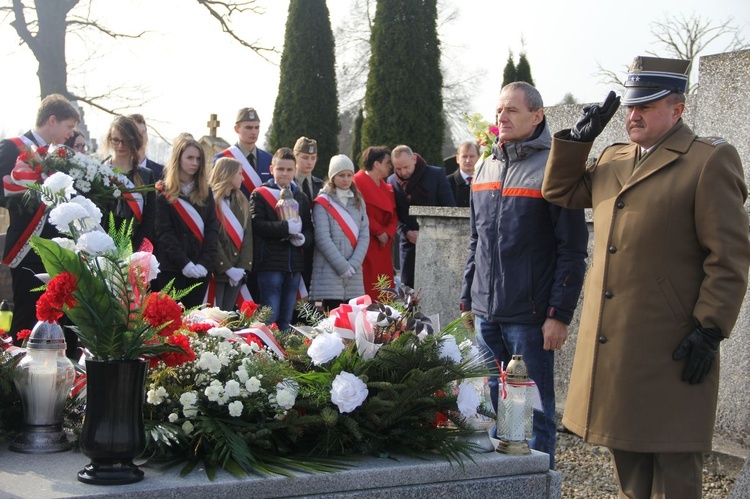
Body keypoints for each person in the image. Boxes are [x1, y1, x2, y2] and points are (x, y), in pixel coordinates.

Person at [542, 56, 750, 498]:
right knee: (629, 463)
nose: (633, 115)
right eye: (631, 107)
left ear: (678, 109)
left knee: (673, 467)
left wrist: (710, 327)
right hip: (616, 345)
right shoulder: (615, 157)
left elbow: (729, 256)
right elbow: (560, 191)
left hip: (671, 344)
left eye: (647, 106)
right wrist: (577, 143)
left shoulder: (707, 161)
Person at [460, 81, 588, 470]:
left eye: (512, 110)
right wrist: (467, 299)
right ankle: (500, 483)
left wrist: (559, 314)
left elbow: (571, 249)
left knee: (535, 410)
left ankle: (537, 482)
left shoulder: (554, 167)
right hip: (486, 314)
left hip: (531, 317)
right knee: (489, 405)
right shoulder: (485, 165)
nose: (502, 117)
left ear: (537, 116)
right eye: (499, 110)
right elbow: (475, 240)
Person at [0, 94, 80, 351]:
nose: (70, 134)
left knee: (59, 320)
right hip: (28, 246)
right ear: (52, 120)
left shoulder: (63, 156)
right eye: (68, 127)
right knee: (26, 316)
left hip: (59, 248)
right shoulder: (12, 147)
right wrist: (35, 193)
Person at [249, 148, 313, 331]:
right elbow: (257, 225)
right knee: (269, 318)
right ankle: (266, 356)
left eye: (289, 169)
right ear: (272, 170)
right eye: (280, 169)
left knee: (286, 319)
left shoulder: (301, 196)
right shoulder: (260, 194)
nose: (285, 173)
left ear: (295, 170)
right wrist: (285, 228)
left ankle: (284, 357)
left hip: (294, 265)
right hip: (270, 264)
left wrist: (303, 239)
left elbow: (309, 227)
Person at [155, 137, 219, 310]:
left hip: (200, 269)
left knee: (195, 324)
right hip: (172, 268)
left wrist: (204, 263)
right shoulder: (163, 191)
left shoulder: (206, 192)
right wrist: (184, 263)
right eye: (190, 158)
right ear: (178, 159)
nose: (195, 163)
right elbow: (164, 232)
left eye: (198, 159)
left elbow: (213, 230)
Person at [388, 145, 455, 288]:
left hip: (437, 243)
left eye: (406, 167)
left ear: (414, 159)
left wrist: (435, 234)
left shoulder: (435, 175)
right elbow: (394, 214)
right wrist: (406, 232)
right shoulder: (392, 181)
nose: (403, 172)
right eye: (398, 169)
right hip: (409, 243)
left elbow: (449, 209)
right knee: (409, 290)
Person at [311, 154, 369, 310]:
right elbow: (322, 238)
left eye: (349, 175)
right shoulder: (323, 201)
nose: (346, 179)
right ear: (333, 177)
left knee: (353, 323)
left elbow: (364, 235)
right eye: (341, 175)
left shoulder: (359, 201)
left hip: (354, 274)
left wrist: (354, 264)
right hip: (328, 274)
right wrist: (343, 266)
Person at [102, 116, 156, 250]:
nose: (120, 146)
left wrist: (134, 249)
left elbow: (149, 219)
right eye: (115, 140)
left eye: (125, 141)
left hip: (135, 249)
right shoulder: (100, 172)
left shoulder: (146, 175)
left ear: (134, 141)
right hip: (103, 247)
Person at [352, 146, 398, 300]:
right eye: (387, 163)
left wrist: (388, 233)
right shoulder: (357, 182)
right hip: (367, 241)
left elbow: (393, 215)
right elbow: (359, 212)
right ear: (376, 164)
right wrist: (379, 231)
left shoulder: (387, 187)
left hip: (383, 245)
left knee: (385, 289)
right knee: (369, 286)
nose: (390, 167)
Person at [208, 157, 253, 311]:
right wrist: (226, 268)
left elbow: (247, 237)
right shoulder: (211, 200)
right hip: (218, 270)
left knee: (229, 318)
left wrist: (242, 268)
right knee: (215, 315)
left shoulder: (242, 201)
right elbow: (213, 238)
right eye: (239, 174)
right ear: (228, 174)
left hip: (237, 271)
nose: (243, 178)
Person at [214, 107, 272, 196]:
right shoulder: (223, 158)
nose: (254, 132)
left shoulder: (269, 159)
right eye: (249, 128)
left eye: (257, 127)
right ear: (237, 129)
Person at [293, 136, 324, 292]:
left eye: (313, 158)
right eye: (305, 157)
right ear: (295, 156)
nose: (309, 162)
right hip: (293, 243)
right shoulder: (289, 183)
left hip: (315, 244)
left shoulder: (320, 185)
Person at [127, 113, 164, 179]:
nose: (140, 137)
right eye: (136, 133)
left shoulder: (161, 172)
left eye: (143, 132)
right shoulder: (115, 171)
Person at [446, 141, 479, 207]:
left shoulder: (485, 182)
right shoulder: (446, 183)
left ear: (478, 158)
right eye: (464, 156)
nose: (468, 160)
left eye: (472, 156)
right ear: (457, 159)